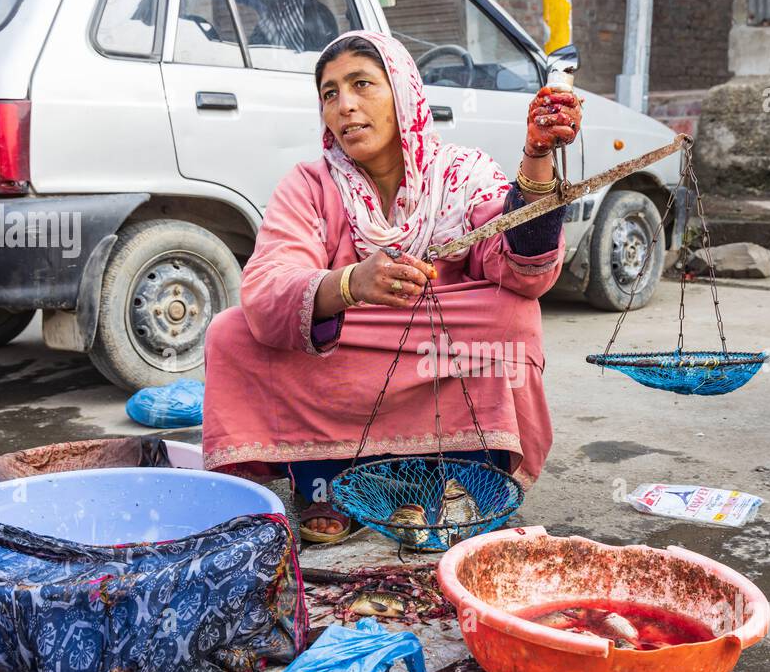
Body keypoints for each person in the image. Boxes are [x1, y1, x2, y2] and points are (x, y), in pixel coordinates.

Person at [202, 29, 583, 543]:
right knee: (231, 334)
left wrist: (537, 155)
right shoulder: (310, 184)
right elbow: (270, 284)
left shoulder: (462, 174)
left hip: (441, 336)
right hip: (351, 336)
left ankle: (463, 470)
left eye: (362, 84)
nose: (345, 106)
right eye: (331, 94)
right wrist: (351, 284)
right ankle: (324, 477)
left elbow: (521, 270)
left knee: (511, 316)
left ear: (403, 92)